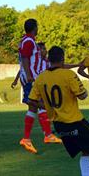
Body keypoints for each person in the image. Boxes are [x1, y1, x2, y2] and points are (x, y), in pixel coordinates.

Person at [28, 46, 89, 176]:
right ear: (62, 59)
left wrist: (46, 106)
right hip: (74, 121)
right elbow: (82, 95)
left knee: (86, 150)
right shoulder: (69, 74)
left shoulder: (41, 78)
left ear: (49, 59)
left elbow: (31, 100)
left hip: (58, 125)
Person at [18, 19, 61, 154]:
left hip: (33, 77)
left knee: (36, 107)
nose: (38, 29)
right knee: (39, 104)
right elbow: (25, 58)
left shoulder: (28, 40)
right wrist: (30, 74)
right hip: (31, 78)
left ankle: (44, 136)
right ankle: (43, 135)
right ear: (34, 28)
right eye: (37, 26)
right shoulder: (29, 41)